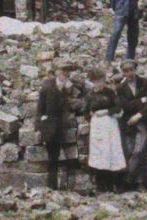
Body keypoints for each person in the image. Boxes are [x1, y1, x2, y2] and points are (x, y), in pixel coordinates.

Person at [36, 60, 79, 192]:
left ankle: (69, 186)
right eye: (62, 71)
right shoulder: (48, 86)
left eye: (67, 71)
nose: (65, 74)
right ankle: (52, 186)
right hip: (51, 127)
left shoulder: (70, 87)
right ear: (56, 72)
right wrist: (39, 129)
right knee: (53, 158)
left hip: (64, 126)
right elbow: (40, 109)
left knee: (70, 158)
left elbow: (76, 103)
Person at [116, 59, 147, 190]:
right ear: (122, 73)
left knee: (139, 150)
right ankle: (138, 183)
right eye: (126, 71)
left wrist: (139, 115)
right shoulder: (120, 88)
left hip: (143, 121)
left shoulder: (145, 83)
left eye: (131, 70)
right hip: (128, 123)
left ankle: (126, 181)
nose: (129, 73)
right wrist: (140, 100)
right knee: (129, 151)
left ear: (135, 70)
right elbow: (124, 106)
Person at [85, 71, 127, 191]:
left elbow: (118, 107)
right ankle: (101, 186)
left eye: (101, 81)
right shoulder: (90, 95)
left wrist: (107, 112)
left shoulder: (110, 92)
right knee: (99, 154)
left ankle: (114, 184)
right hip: (97, 125)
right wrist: (92, 119)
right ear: (92, 82)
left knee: (112, 152)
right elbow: (86, 111)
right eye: (97, 81)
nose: (100, 84)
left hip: (110, 123)